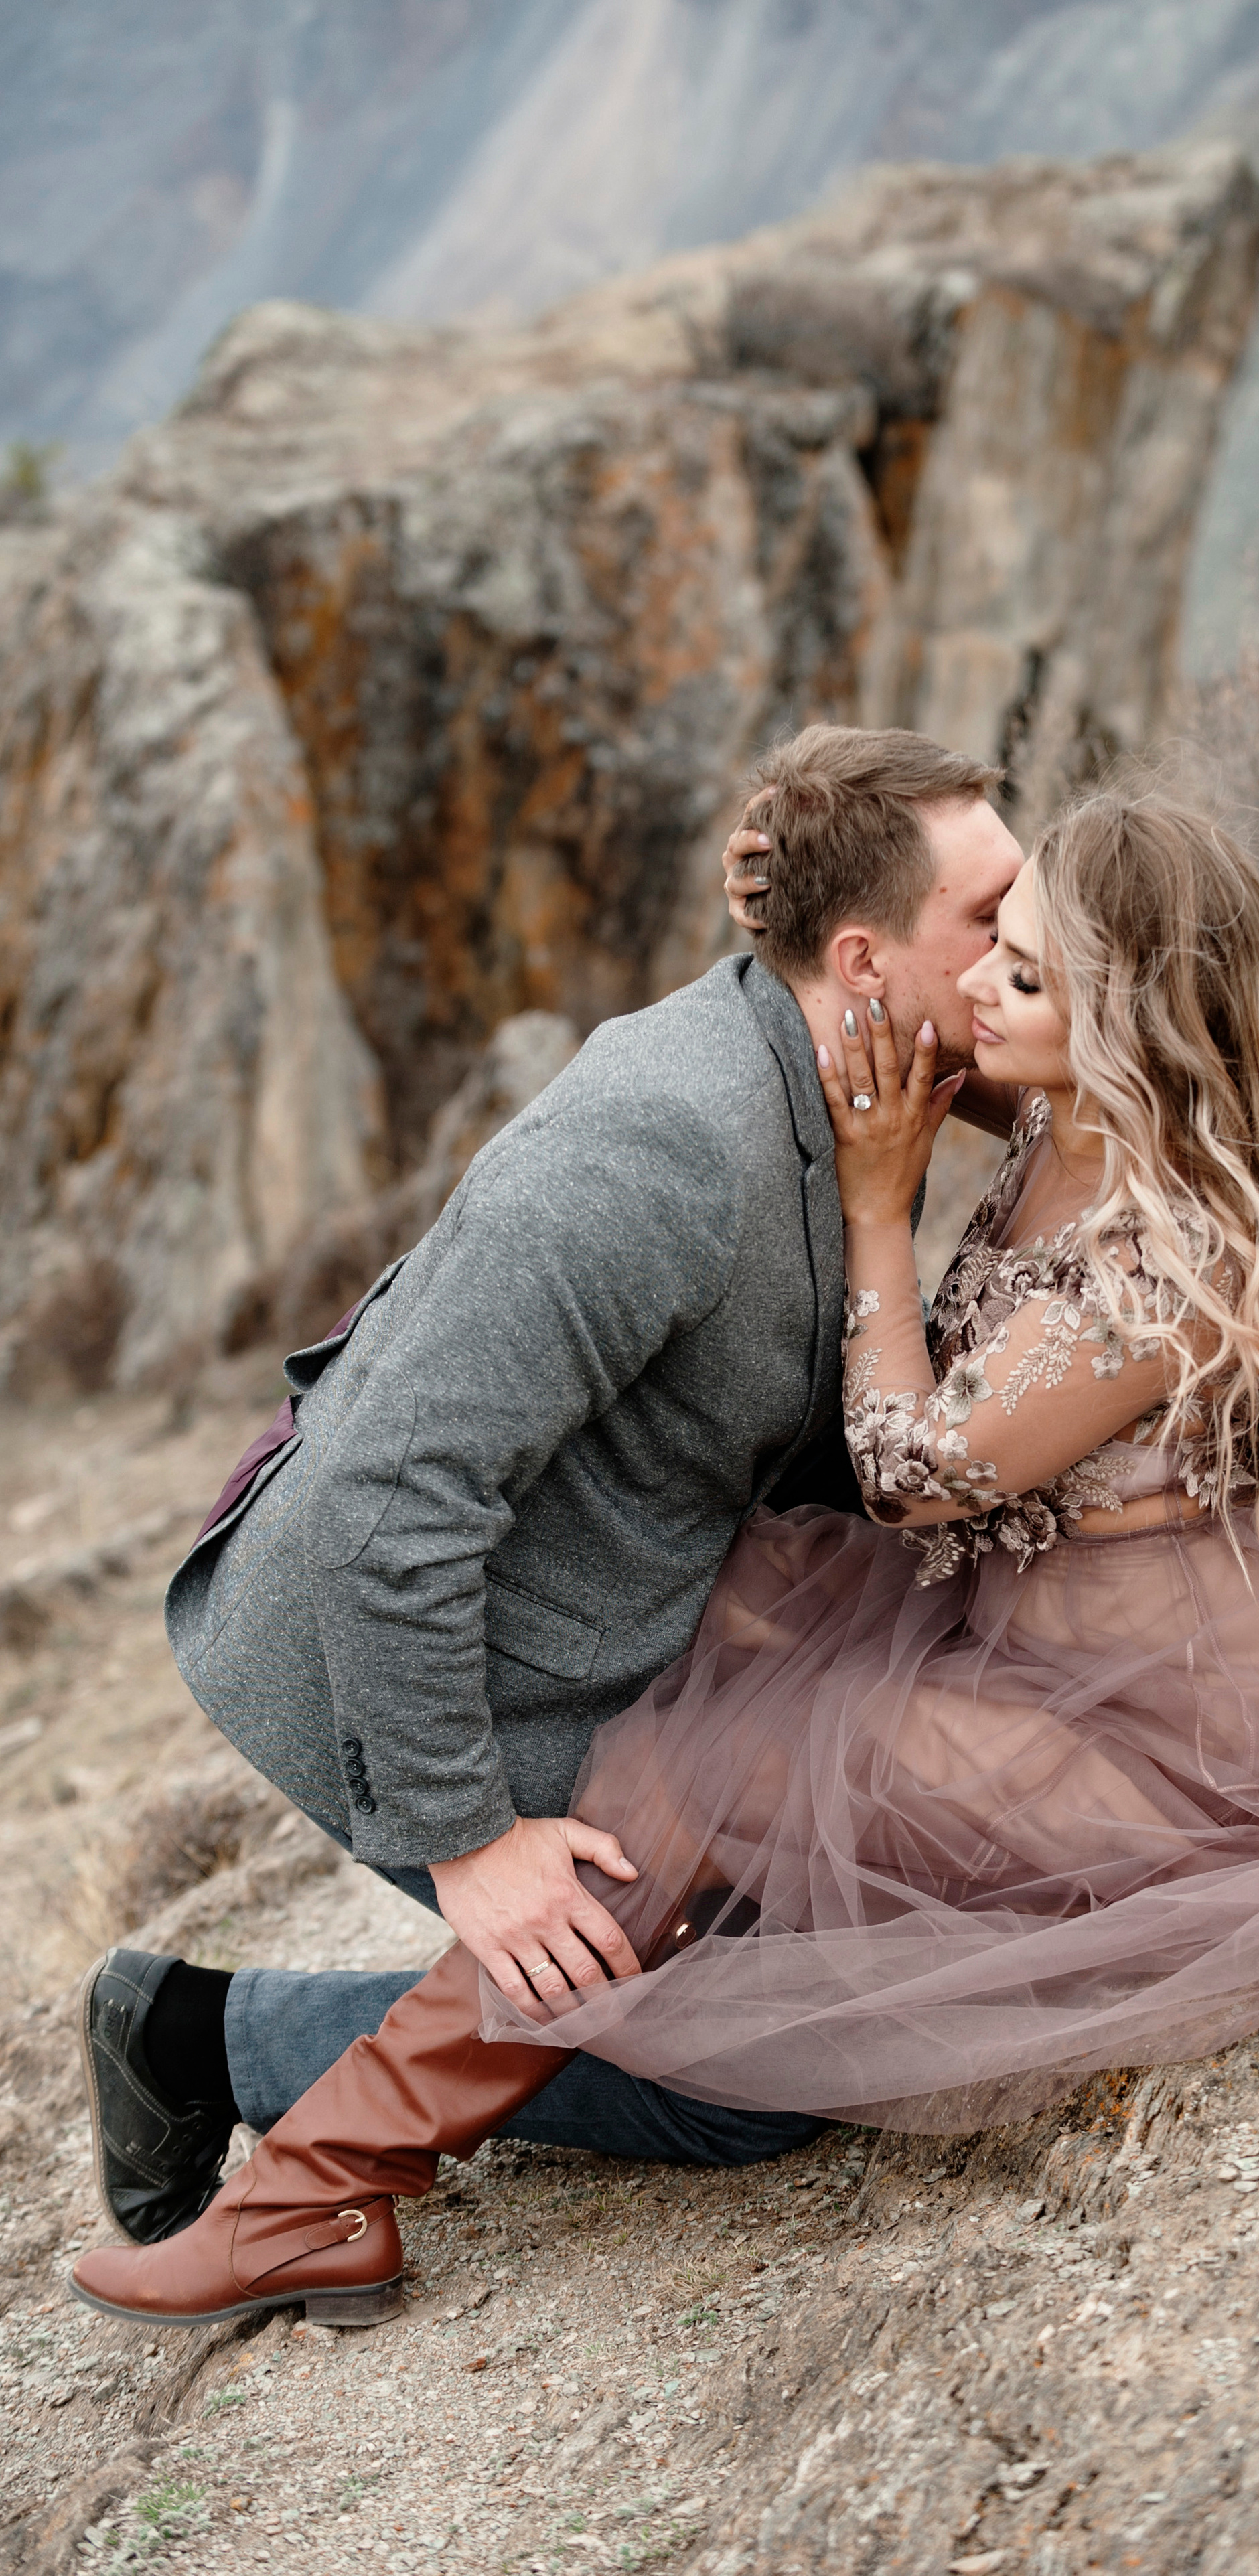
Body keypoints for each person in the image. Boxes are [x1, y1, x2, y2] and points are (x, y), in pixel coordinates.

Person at [73, 787, 1259, 2334]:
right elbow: (895, 1013)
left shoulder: (1170, 1248)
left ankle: (312, 2169)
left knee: (719, 1798)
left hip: (1167, 1744)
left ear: (1119, 1018)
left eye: (1025, 965)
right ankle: (313, 2166)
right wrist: (799, 910)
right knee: (722, 1667)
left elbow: (922, 1481)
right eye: (987, 942)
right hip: (1040, 1646)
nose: (986, 990)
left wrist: (874, 1210)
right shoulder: (1063, 1102)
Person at [75, 724, 1023, 2250]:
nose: (1017, 947)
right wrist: (470, 1843)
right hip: (403, 1651)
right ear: (861, 957)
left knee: (902, 1922)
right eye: (988, 920)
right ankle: (193, 2036)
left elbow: (1063, 1098)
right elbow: (392, 1494)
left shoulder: (871, 1069)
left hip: (625, 1602)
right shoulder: (660, 1141)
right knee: (761, 2069)